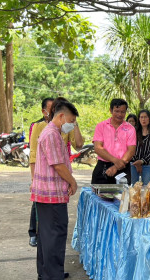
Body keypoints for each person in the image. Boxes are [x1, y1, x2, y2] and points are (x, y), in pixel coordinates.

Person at [30, 98, 79, 280]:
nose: (72, 125)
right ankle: (52, 275)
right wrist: (73, 182)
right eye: (71, 121)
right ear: (61, 116)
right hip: (51, 195)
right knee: (54, 237)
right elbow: (58, 165)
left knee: (46, 236)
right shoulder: (51, 134)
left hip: (49, 194)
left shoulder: (53, 132)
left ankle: (47, 272)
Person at [91, 99, 136, 184]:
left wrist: (116, 167)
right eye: (117, 111)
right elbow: (98, 148)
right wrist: (115, 160)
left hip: (123, 168)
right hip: (103, 167)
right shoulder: (101, 126)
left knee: (122, 196)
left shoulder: (130, 129)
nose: (119, 114)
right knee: (98, 196)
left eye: (122, 112)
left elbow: (131, 151)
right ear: (111, 110)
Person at [131, 110, 150, 185]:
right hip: (133, 164)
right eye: (141, 117)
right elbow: (130, 148)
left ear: (149, 118)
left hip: (147, 165)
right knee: (133, 188)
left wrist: (142, 161)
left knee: (146, 188)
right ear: (138, 119)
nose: (143, 119)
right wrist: (137, 162)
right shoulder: (133, 132)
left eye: (145, 117)